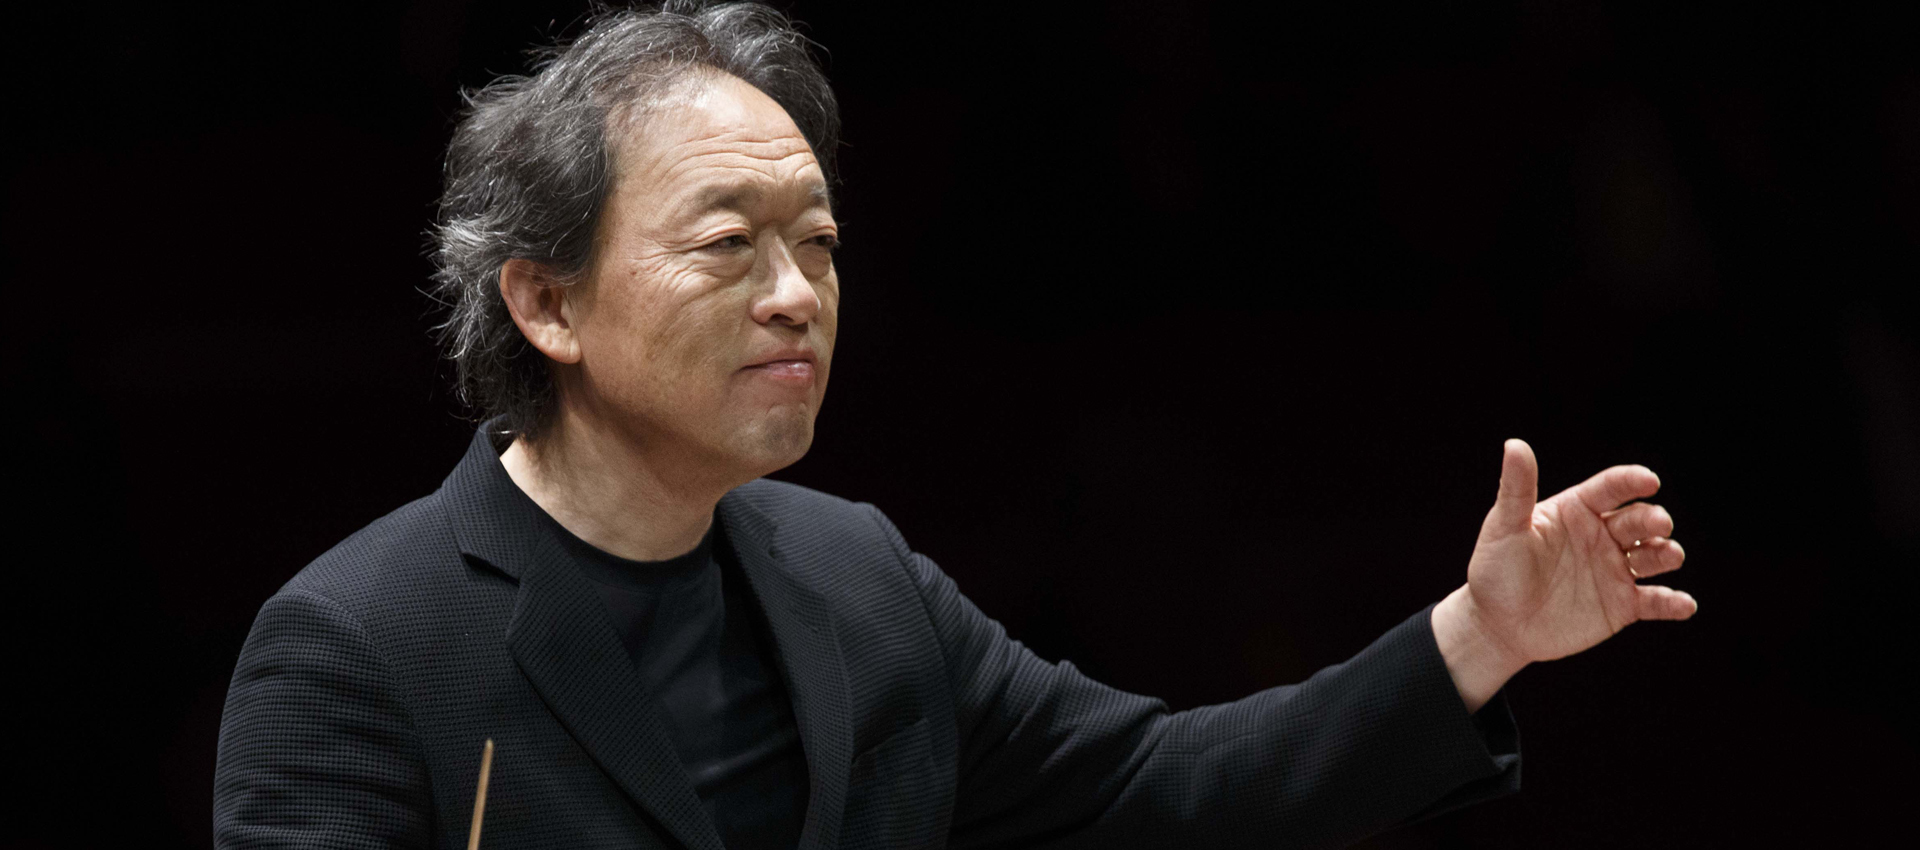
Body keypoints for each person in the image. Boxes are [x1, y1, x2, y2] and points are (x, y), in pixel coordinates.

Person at [212, 3, 1698, 848]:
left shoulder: (853, 574)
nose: (796, 296)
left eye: (820, 245)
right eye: (728, 245)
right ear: (546, 301)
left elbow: (1168, 793)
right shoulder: (355, 647)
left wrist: (1479, 634)